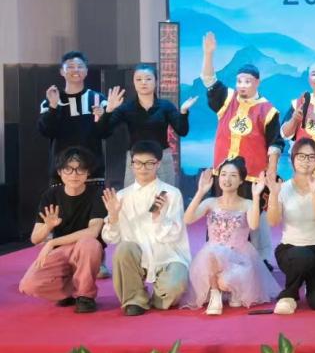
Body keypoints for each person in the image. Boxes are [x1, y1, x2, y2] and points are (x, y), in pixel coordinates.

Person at [200, 32, 283, 266]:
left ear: (257, 82)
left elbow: (275, 143)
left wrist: (271, 172)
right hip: (223, 174)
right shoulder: (227, 100)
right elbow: (209, 79)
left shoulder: (268, 110)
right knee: (220, 215)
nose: (242, 86)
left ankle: (254, 261)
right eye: (239, 81)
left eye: (247, 81)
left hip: (252, 176)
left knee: (251, 220)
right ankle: (216, 259)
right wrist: (208, 54)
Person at [100, 140, 190, 316]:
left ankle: (158, 296)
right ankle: (134, 299)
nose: (143, 168)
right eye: (138, 163)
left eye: (149, 163)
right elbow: (110, 239)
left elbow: (174, 235)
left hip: (167, 255)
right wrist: (113, 217)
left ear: (158, 164)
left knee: (174, 289)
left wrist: (158, 218)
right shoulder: (122, 196)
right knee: (124, 249)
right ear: (131, 164)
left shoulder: (171, 193)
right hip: (136, 254)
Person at [183, 158, 280, 314]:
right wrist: (200, 192)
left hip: (239, 258)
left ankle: (232, 290)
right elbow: (187, 219)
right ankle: (215, 295)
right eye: (223, 174)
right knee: (211, 252)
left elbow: (254, 225)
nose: (227, 179)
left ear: (241, 180)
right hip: (212, 257)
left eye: (233, 175)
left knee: (226, 281)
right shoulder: (211, 202)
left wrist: (256, 196)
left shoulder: (247, 204)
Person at [18, 147, 106, 313]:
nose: (74, 174)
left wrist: (52, 243)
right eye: (68, 169)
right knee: (28, 285)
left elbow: (92, 232)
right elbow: (35, 238)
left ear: (88, 172)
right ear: (60, 172)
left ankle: (85, 296)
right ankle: (68, 291)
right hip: (61, 252)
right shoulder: (50, 195)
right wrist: (48, 227)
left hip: (86, 249)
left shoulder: (97, 194)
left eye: (80, 169)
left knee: (89, 244)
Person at [264, 139, 315, 314]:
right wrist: (274, 195)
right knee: (303, 256)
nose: (306, 161)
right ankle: (289, 295)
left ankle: (307, 279)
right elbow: (273, 221)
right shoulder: (282, 188)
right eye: (301, 156)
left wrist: (314, 191)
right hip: (291, 250)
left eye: (311, 157)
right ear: (293, 159)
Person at [96, 64, 196, 187]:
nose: (143, 82)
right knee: (134, 195)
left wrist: (183, 112)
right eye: (139, 79)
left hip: (161, 157)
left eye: (148, 79)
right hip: (136, 159)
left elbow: (182, 131)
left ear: (156, 82)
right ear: (134, 82)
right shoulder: (126, 108)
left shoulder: (165, 106)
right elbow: (102, 133)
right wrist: (109, 111)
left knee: (165, 195)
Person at [38, 51, 108, 188]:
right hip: (61, 173)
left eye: (80, 66)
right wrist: (53, 106)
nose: (76, 70)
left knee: (95, 203)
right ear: (62, 72)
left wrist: (104, 116)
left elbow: (106, 133)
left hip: (93, 172)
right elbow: (46, 131)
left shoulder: (98, 99)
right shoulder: (51, 99)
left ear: (86, 71)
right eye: (70, 66)